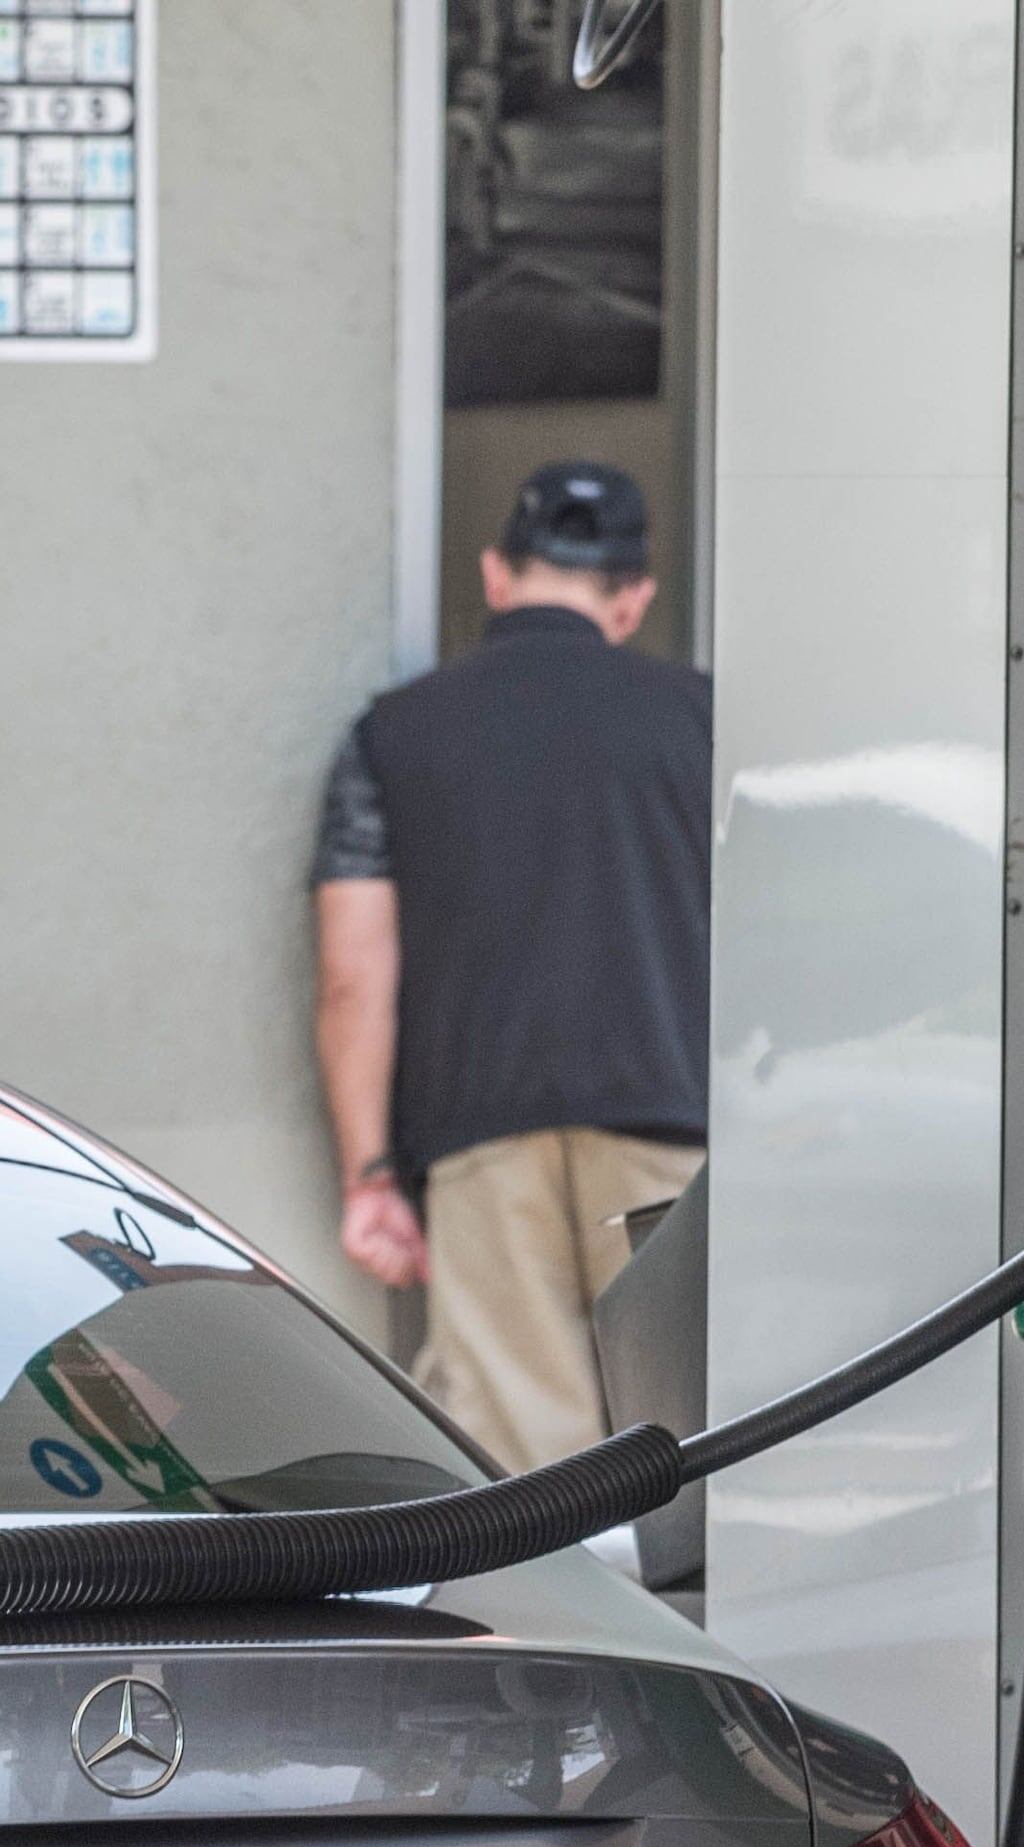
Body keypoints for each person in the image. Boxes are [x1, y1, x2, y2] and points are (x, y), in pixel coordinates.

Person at [312, 459, 712, 1472]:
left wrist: (368, 1176)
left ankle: (543, 1632)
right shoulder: (708, 722)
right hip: (670, 1129)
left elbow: (353, 973)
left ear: (495, 575)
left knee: (521, 1473)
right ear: (630, 600)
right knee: (689, 1445)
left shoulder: (391, 734)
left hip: (482, 1138)